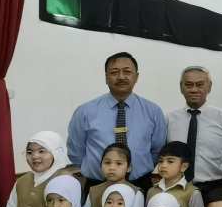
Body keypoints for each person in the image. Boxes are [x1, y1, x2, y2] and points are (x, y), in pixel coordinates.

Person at [68, 52, 167, 191]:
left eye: (127, 72)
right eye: (114, 72)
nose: (121, 77)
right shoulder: (85, 111)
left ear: (136, 77)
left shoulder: (153, 111)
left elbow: (157, 150)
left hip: (140, 184)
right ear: (106, 78)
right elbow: (75, 151)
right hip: (96, 184)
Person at [166, 66, 222, 197]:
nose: (194, 89)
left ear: (209, 87)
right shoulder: (170, 119)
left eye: (200, 85)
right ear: (181, 87)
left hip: (216, 188)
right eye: (188, 85)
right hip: (178, 189)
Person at [82, 143, 146, 207]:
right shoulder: (93, 191)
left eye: (119, 163)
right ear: (101, 165)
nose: (112, 167)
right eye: (107, 163)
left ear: (129, 168)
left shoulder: (136, 193)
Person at [147, 141, 204, 207]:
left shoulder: (192, 193)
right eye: (161, 161)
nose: (163, 165)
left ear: (184, 167)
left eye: (170, 161)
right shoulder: (152, 191)